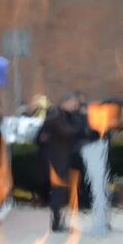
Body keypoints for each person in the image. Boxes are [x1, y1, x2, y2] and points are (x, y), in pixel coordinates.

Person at [39, 92, 86, 232]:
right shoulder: (56, 116)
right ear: (66, 103)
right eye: (74, 104)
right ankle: (56, 222)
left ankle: (58, 221)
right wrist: (81, 119)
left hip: (60, 157)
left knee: (61, 189)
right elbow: (69, 132)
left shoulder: (60, 115)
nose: (76, 106)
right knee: (59, 189)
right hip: (57, 159)